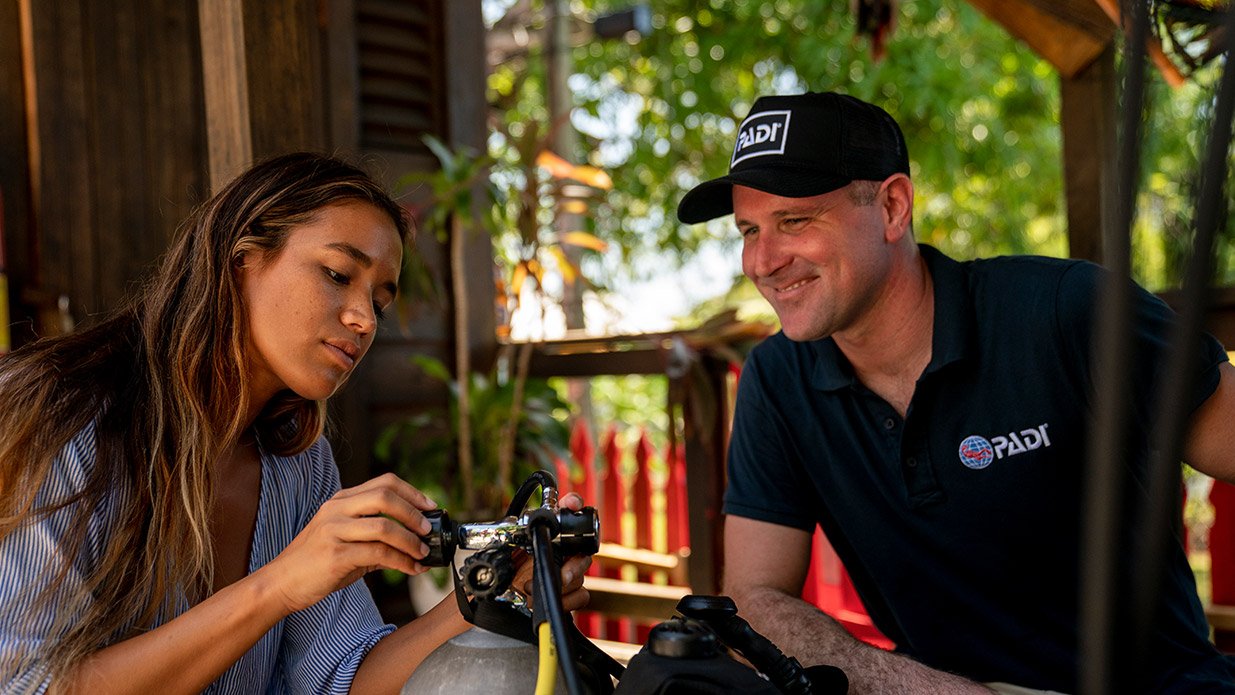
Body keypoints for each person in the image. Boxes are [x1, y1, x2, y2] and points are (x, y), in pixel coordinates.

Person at [676, 92, 1235, 693]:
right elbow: (754, 598)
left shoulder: (1071, 312)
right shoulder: (778, 379)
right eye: (749, 229)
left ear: (893, 206)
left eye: (794, 221)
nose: (762, 260)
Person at [0, 152, 591, 694]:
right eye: (337, 274)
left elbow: (342, 680)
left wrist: (489, 594)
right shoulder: (62, 420)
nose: (363, 319)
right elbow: (29, 684)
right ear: (241, 259)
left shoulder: (297, 464)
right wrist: (278, 585)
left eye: (380, 302)